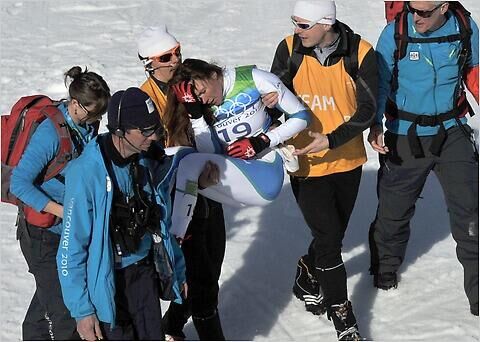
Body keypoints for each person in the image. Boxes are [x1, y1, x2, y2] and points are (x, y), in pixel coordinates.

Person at [56, 87, 217, 340]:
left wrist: (178, 270)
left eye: (155, 129)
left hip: (143, 277)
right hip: (108, 285)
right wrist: (82, 312)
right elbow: (70, 249)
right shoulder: (86, 173)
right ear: (119, 130)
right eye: (145, 131)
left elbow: (161, 223)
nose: (153, 137)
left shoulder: (148, 163)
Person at [270, 0, 378, 340]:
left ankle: (308, 271)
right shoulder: (289, 49)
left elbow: (368, 110)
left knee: (332, 235)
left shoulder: (359, 53)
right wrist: (271, 109)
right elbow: (273, 95)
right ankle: (342, 315)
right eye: (295, 23)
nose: (296, 31)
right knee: (330, 241)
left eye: (303, 25)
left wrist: (331, 140)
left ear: (326, 24)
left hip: (346, 160)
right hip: (304, 161)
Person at [368, 1, 479, 316]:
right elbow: (380, 84)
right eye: (412, 9)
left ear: (444, 7)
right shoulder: (395, 32)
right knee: (393, 212)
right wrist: (375, 124)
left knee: (470, 212)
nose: (416, 17)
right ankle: (385, 269)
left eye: (425, 12)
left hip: (452, 130)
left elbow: (475, 72)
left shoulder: (464, 28)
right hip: (406, 133)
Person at [136, 25, 227, 340]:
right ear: (150, 63)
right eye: (166, 56)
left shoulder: (190, 83)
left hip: (208, 194)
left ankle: (171, 326)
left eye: (177, 51)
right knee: (202, 284)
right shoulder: (143, 100)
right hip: (177, 202)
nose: (175, 59)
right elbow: (151, 160)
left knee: (211, 271)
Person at [9, 66, 110, 340]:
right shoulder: (50, 134)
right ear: (75, 103)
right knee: (65, 312)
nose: (96, 119)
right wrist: (62, 211)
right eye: (92, 113)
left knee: (47, 304)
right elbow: (18, 183)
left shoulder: (86, 124)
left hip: (67, 232)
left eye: (101, 115)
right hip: (42, 236)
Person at [164, 58, 310, 244]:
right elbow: (212, 156)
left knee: (188, 163)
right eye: (197, 98)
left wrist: (263, 141)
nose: (204, 99)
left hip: (265, 174)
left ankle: (175, 237)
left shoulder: (252, 78)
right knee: (174, 156)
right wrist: (195, 114)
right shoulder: (203, 107)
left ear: (213, 74)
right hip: (235, 180)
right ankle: (161, 228)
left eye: (203, 91)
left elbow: (302, 117)